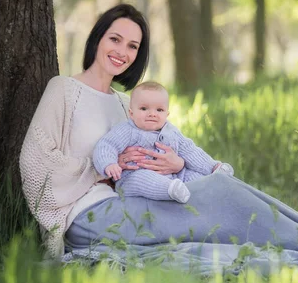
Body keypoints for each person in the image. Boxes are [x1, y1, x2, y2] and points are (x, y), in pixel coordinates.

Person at [20, 3, 298, 269]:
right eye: (115, 39)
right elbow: (35, 162)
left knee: (226, 191)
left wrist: (176, 164)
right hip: (91, 218)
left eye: (133, 45)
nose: (122, 51)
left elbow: (164, 147)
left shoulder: (127, 104)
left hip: (132, 203)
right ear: (98, 38)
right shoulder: (63, 90)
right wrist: (104, 171)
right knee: (224, 199)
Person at [92, 81, 234, 204]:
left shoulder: (171, 131)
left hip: (175, 176)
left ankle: (215, 179)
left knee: (196, 177)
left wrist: (212, 166)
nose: (152, 113)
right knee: (143, 178)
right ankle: (170, 190)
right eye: (144, 108)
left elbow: (190, 151)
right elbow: (106, 145)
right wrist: (108, 164)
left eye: (159, 110)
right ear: (131, 113)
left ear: (167, 114)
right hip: (133, 177)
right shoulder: (127, 130)